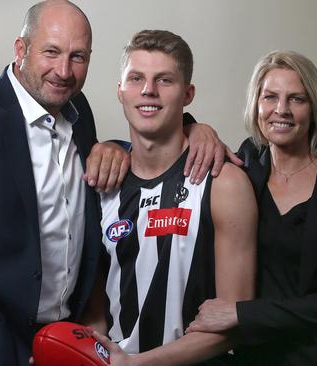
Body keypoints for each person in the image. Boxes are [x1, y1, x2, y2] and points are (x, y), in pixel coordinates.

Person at [0, 2, 234, 365]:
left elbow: (142, 148)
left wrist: (191, 128)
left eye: (78, 57)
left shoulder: (78, 112)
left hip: (59, 340)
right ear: (21, 49)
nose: (63, 71)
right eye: (51, 52)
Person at [187, 50, 317, 365]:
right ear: (256, 105)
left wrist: (239, 313)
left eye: (297, 99)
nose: (281, 110)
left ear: (315, 108)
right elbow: (170, 145)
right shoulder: (245, 166)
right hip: (260, 353)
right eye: (270, 97)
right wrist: (195, 127)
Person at [89, 30, 257, 366]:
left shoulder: (225, 183)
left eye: (164, 80)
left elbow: (235, 320)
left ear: (188, 93)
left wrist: (138, 365)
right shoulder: (102, 183)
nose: (148, 90)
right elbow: (94, 307)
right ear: (120, 91)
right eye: (136, 78)